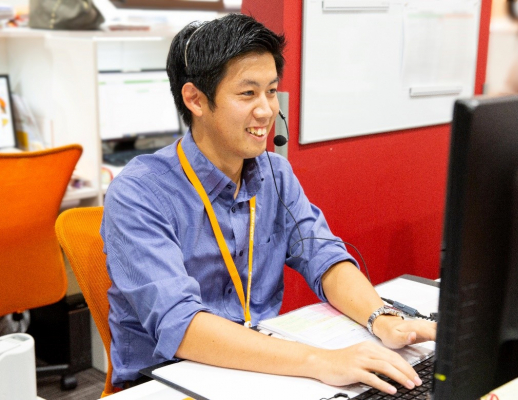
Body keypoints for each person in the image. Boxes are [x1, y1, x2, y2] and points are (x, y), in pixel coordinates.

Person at [101, 13, 436, 395]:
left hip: (256, 366)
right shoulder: (139, 192)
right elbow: (181, 325)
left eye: (271, 91)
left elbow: (322, 255)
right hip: (167, 381)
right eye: (248, 94)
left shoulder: (274, 173)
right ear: (195, 99)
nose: (266, 110)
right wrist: (321, 361)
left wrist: (382, 319)